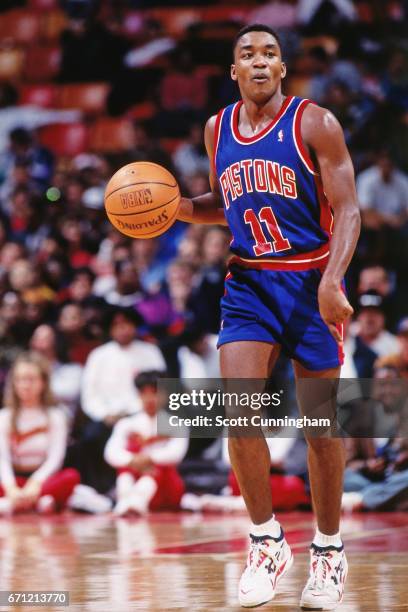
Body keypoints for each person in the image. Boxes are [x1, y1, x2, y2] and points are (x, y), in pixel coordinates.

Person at [177, 24, 361, 610]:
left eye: (270, 54)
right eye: (247, 56)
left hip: (311, 281)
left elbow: (349, 208)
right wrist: (174, 209)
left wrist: (333, 280)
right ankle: (266, 541)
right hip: (251, 280)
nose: (259, 63)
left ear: (283, 68)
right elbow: (222, 205)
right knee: (238, 410)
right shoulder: (217, 129)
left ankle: (328, 552)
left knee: (320, 427)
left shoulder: (315, 123)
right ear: (233, 71)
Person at [104, 370, 188, 516]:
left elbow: (176, 454)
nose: (149, 398)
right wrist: (132, 460)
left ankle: (132, 503)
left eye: (155, 392)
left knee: (160, 465)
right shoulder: (126, 424)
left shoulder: (177, 423)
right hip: (134, 480)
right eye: (144, 393)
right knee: (127, 460)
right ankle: (128, 500)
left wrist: (149, 459)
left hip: (166, 490)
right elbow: (110, 452)